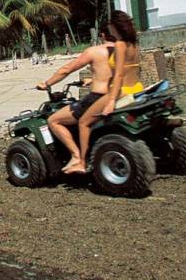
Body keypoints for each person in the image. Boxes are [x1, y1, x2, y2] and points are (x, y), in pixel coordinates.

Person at [37, 30, 116, 174]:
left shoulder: (94, 51)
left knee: (54, 120)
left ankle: (76, 156)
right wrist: (93, 79)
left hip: (98, 98)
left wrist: (47, 83)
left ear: (103, 35)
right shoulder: (122, 50)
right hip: (116, 95)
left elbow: (67, 69)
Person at [73, 11, 142, 169]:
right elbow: (129, 69)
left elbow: (118, 75)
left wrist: (111, 101)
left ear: (114, 26)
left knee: (83, 122)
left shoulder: (119, 45)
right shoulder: (134, 44)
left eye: (110, 25)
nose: (109, 28)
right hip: (136, 87)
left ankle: (82, 162)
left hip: (120, 91)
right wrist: (93, 79)